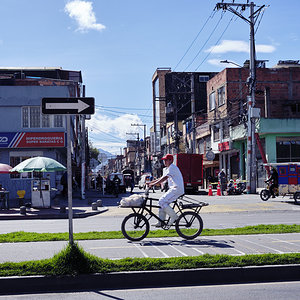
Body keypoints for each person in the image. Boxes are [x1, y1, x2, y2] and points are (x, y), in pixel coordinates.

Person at [148, 154, 184, 227]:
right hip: (173, 189)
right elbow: (161, 178)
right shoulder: (167, 169)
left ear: (171, 160)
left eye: (166, 160)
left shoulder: (172, 168)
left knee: (162, 201)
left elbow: (164, 178)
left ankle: (174, 216)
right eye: (164, 160)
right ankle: (161, 221)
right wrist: (150, 182)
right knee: (161, 202)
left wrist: (154, 184)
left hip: (177, 189)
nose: (164, 161)